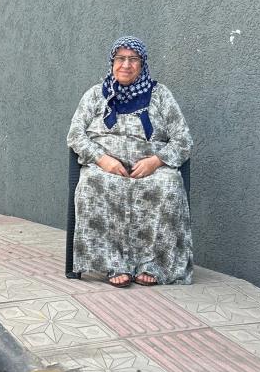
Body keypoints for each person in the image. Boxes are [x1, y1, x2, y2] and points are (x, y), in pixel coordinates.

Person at [66, 36, 193, 288]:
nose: (126, 65)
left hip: (149, 168)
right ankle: (112, 264)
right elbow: (75, 134)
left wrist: (156, 162)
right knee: (91, 183)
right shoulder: (95, 95)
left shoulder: (160, 94)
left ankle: (153, 265)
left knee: (168, 185)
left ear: (142, 64)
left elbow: (183, 138)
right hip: (105, 167)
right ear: (112, 62)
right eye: (120, 59)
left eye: (133, 59)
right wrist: (102, 160)